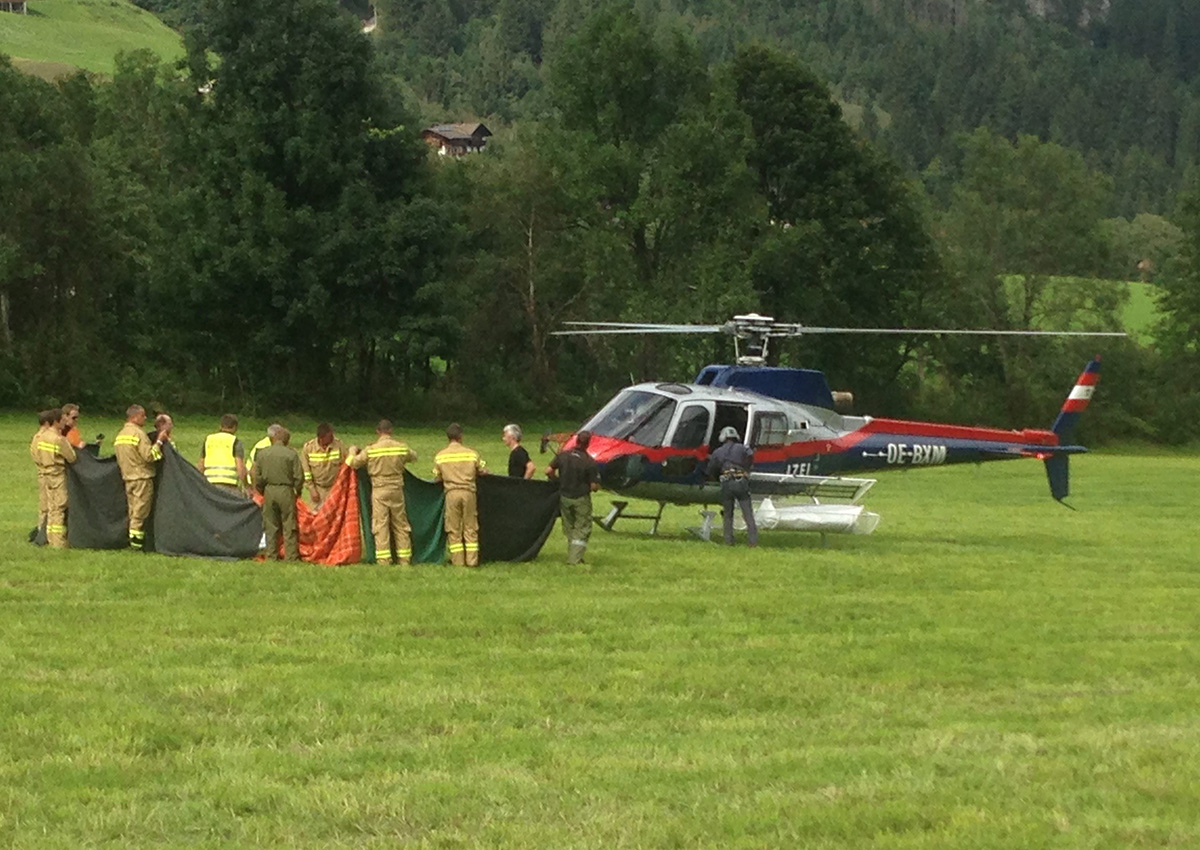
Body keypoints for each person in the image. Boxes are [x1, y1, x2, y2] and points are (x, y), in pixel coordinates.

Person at [347, 420, 417, 565]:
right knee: (401, 524)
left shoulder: (371, 449)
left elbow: (352, 463)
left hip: (379, 490)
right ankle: (404, 558)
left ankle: (384, 559)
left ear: (378, 432)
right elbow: (414, 457)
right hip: (397, 489)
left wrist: (352, 451)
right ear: (391, 431)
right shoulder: (400, 447)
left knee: (381, 525)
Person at [433, 423, 488, 566]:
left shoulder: (440, 456)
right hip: (469, 493)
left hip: (451, 494)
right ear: (461, 436)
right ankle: (472, 560)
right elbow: (482, 471)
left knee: (454, 528)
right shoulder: (471, 454)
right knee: (470, 527)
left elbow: (437, 478)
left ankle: (457, 561)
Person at [113, 404, 165, 551]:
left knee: (132, 511)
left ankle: (131, 541)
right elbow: (149, 456)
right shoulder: (138, 434)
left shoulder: (120, 435)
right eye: (143, 415)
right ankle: (136, 546)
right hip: (142, 477)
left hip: (128, 477)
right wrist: (159, 441)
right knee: (140, 513)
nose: (145, 418)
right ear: (134, 417)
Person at [546, 430, 600, 565]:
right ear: (588, 444)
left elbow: (548, 471)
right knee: (582, 528)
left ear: (576, 441)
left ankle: (574, 553)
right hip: (581, 498)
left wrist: (557, 480)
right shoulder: (589, 462)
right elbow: (594, 486)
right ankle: (574, 559)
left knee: (569, 527)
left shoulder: (563, 455)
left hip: (564, 496)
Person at [252, 426, 304, 561]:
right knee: (289, 525)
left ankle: (271, 555)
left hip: (269, 490)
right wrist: (297, 491)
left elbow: (257, 476)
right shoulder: (291, 454)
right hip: (286, 491)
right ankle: (291, 556)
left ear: (273, 438)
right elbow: (299, 476)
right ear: (287, 441)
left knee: (270, 525)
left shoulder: (262, 454)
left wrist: (262, 490)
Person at [31, 408, 78, 548]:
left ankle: (47, 538)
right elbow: (72, 457)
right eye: (62, 421)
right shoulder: (59, 440)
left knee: (48, 507)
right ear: (56, 422)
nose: (65, 424)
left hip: (44, 473)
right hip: (57, 475)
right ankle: (57, 541)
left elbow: (35, 454)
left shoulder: (40, 437)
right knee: (58, 507)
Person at [706, 426, 758, 547]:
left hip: (727, 483)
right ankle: (752, 542)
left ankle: (729, 541)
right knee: (748, 513)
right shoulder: (743, 448)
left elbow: (710, 470)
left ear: (723, 437)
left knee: (728, 514)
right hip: (741, 482)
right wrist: (746, 469)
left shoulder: (717, 452)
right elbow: (750, 456)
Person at [300, 423, 348, 507]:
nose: (332, 438)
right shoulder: (309, 448)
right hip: (318, 489)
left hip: (335, 489)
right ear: (321, 438)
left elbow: (346, 464)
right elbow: (306, 472)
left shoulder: (339, 445)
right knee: (316, 517)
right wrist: (312, 490)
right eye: (330, 437)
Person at [198, 413, 247, 494]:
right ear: (235, 427)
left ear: (220, 426)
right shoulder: (235, 442)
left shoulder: (208, 440)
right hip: (229, 485)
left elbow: (200, 466)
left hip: (210, 484)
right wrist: (246, 485)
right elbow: (240, 468)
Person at [246, 423, 282, 488]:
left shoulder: (270, 443)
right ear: (275, 435)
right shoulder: (263, 446)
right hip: (254, 481)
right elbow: (255, 468)